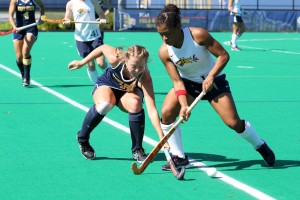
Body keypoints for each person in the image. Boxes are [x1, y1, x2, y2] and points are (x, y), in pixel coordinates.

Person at [155, 4, 275, 170]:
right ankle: (180, 157)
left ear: (177, 27)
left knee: (233, 123)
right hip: (188, 84)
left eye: (167, 34)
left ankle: (259, 145)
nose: (164, 39)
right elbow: (177, 82)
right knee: (167, 113)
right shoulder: (164, 52)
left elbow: (223, 56)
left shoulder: (197, 35)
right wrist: (183, 105)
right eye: (161, 35)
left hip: (214, 80)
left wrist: (211, 76)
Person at [67, 44, 168, 163]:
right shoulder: (116, 59)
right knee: (105, 104)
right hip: (107, 85)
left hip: (126, 93)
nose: (137, 70)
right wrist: (82, 62)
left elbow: (151, 109)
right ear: (125, 60)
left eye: (141, 66)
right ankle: (82, 138)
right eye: (133, 66)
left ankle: (137, 150)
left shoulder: (145, 77)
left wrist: (162, 137)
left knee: (136, 103)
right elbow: (102, 47)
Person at [64, 0, 108, 84]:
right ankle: (97, 85)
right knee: (90, 65)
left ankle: (114, 79)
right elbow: (67, 18)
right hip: (81, 38)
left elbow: (101, 14)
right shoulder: (71, 4)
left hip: (95, 36)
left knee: (101, 63)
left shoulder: (93, 2)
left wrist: (103, 19)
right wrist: (66, 21)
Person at [8, 0, 45, 87]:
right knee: (19, 57)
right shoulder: (15, 1)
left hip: (31, 28)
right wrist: (14, 27)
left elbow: (42, 6)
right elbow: (10, 15)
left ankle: (26, 76)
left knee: (25, 51)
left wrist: (41, 18)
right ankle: (23, 74)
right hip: (18, 29)